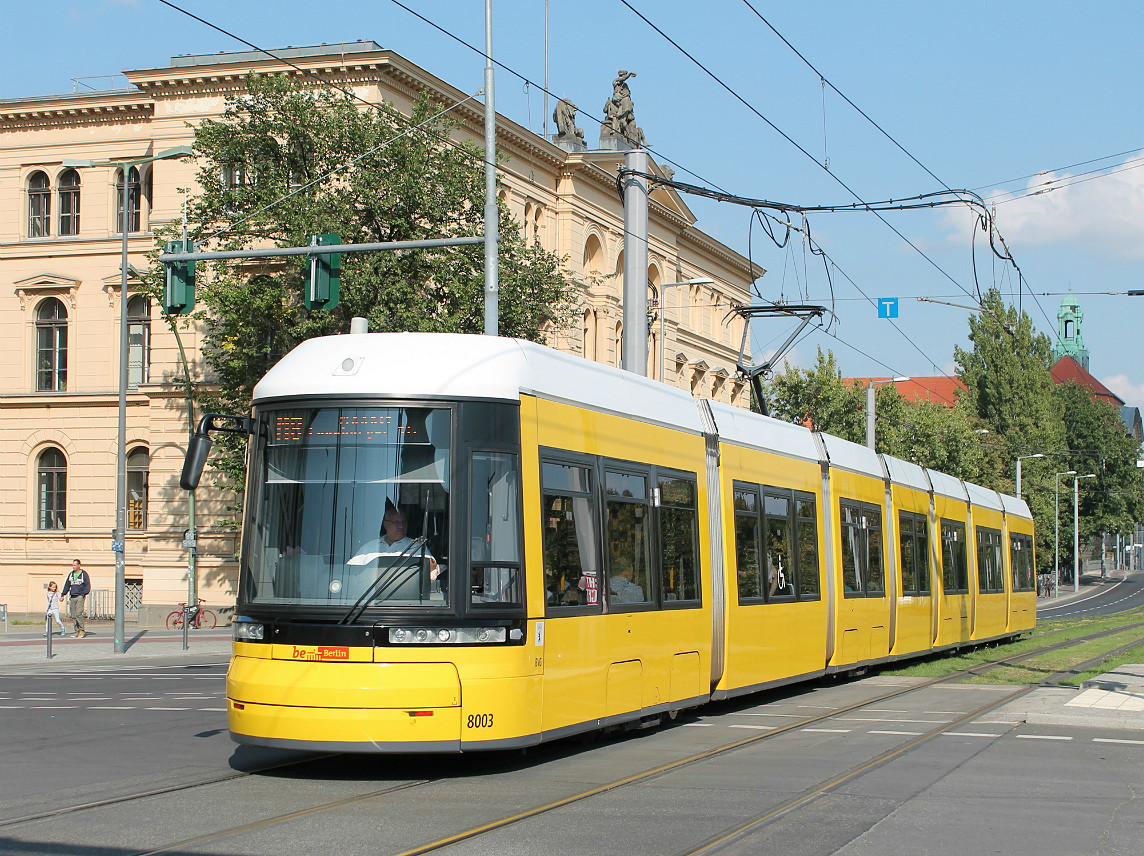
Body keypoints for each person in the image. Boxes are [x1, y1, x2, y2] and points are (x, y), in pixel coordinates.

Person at [59, 559, 91, 637]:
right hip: (72, 596)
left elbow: (87, 586)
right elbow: (67, 585)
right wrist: (63, 594)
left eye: (75, 565)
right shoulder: (71, 574)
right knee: (73, 615)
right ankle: (76, 630)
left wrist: (83, 594)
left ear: (79, 565)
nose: (73, 567)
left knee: (78, 614)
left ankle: (82, 630)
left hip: (80, 596)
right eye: (72, 565)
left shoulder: (84, 574)